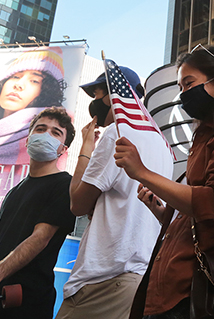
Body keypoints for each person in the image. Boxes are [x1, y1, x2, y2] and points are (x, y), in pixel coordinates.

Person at [113, 45, 214, 319]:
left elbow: (212, 203)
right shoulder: (202, 138)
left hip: (199, 290)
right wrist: (162, 212)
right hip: (168, 289)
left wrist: (142, 172)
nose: (183, 95)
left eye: (189, 83)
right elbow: (195, 215)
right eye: (180, 86)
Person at [58, 65, 174, 319]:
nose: (96, 103)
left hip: (103, 279)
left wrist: (86, 146)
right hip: (140, 275)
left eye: (98, 94)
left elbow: (77, 203)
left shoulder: (116, 134)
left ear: (113, 95)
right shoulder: (163, 143)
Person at [0, 106, 77, 319]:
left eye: (55, 132)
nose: (46, 134)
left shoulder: (64, 185)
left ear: (63, 149)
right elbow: (0, 245)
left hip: (26, 302)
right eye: (40, 128)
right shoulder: (14, 191)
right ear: (27, 140)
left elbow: (40, 238)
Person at [0, 47, 67, 215]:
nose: (18, 84)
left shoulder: (47, 143)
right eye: (15, 76)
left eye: (34, 81)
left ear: (46, 91)